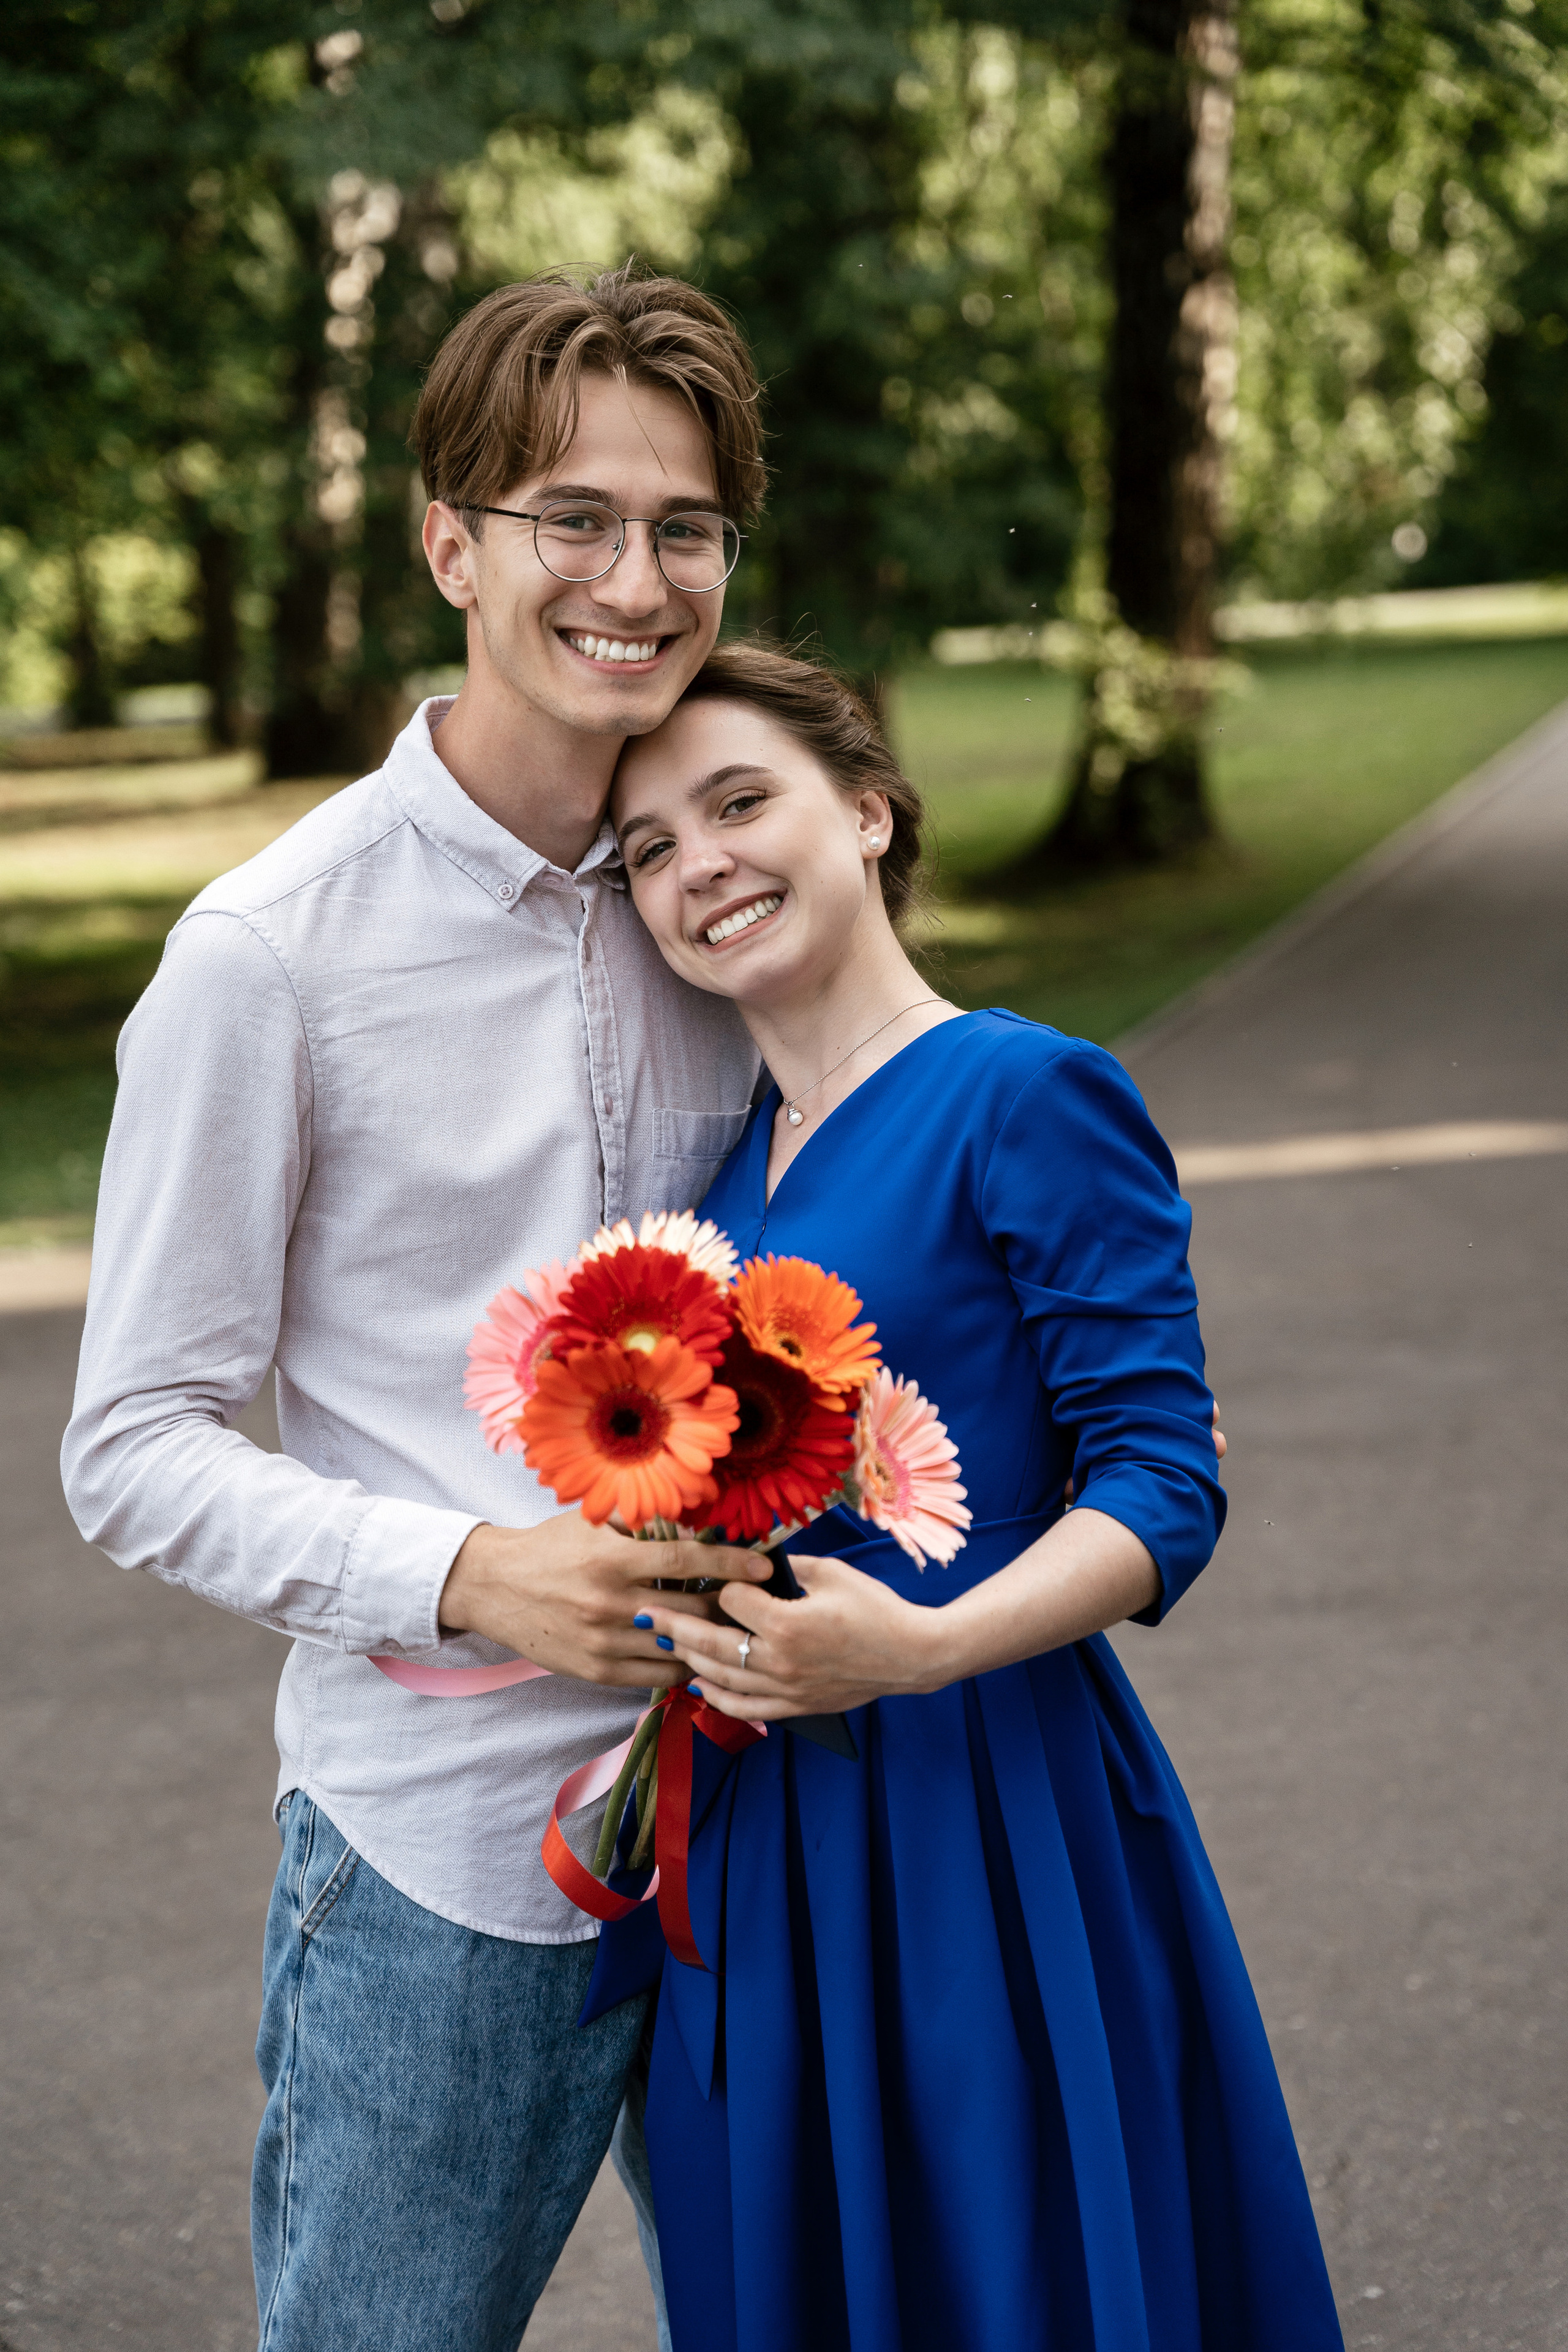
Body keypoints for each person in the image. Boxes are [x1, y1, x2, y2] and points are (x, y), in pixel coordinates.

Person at [60, 266, 781, 2352]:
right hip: (444, 1863)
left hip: (779, 1813)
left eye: (685, 528)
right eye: (573, 515)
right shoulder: (267, 956)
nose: (633, 578)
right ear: (450, 541)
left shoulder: (728, 891)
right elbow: (130, 1448)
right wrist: (471, 1570)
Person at [602, 640, 1346, 2351]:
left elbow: (1166, 1482)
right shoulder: (714, 1173)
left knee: (1009, 2270)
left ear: (867, 814)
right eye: (649, 847)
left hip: (981, 1805)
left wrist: (920, 1650)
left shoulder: (1024, 1091)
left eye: (738, 803)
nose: (698, 863)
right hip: (763, 1825)